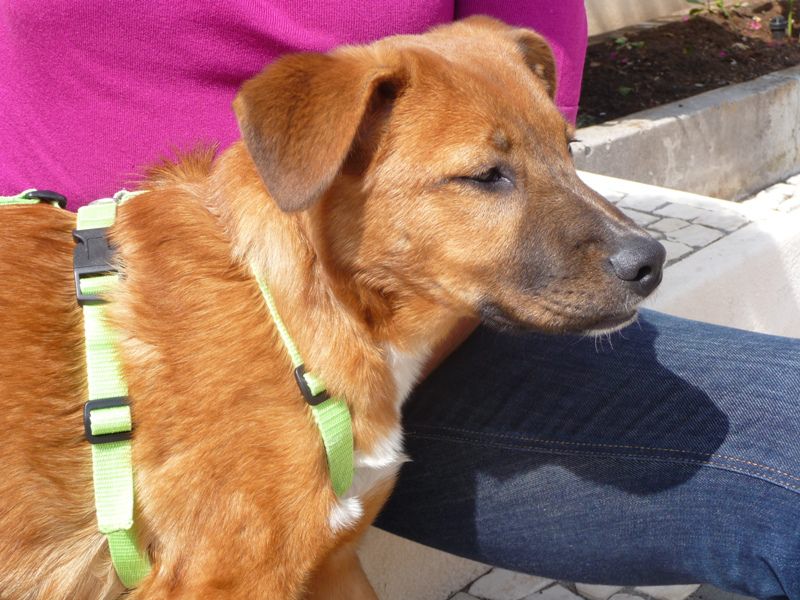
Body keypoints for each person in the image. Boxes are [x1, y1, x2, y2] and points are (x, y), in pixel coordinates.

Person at [2, 3, 799, 599]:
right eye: (487, 178)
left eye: (562, 150)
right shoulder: (239, 355)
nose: (629, 245)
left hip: (424, 334)